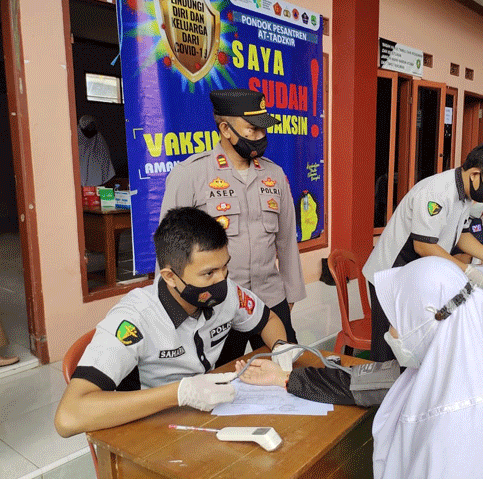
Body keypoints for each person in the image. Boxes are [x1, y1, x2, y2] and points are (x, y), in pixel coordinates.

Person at [239, 257, 483, 479]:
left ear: (426, 322)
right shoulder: (463, 364)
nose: (389, 334)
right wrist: (286, 379)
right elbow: (368, 381)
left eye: (398, 321)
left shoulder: (454, 438)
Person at [54, 207, 288, 437]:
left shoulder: (227, 294)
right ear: (170, 277)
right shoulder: (133, 320)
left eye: (225, 266)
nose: (222, 280)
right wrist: (180, 393)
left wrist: (281, 348)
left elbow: (269, 319)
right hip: (150, 431)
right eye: (209, 273)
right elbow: (68, 417)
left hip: (204, 421)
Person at [159, 89, 305, 357]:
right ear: (226, 129)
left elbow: (285, 240)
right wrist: (182, 309)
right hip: (218, 305)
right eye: (252, 129)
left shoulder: (274, 174)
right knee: (227, 381)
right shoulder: (191, 174)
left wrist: (289, 297)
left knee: (287, 370)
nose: (260, 137)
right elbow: (170, 250)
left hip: (271, 298)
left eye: (263, 130)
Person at [362, 143, 483, 361]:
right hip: (392, 273)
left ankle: (407, 392)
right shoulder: (437, 192)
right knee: (388, 350)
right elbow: (424, 245)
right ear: (475, 174)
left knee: (413, 344)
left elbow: (462, 235)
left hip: (416, 272)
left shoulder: (465, 195)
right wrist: (467, 270)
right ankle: (380, 394)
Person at [77, 115, 115, 187]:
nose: (90, 132)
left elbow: (105, 160)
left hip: (98, 184)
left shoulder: (98, 139)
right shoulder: (77, 139)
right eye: (88, 129)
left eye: (92, 128)